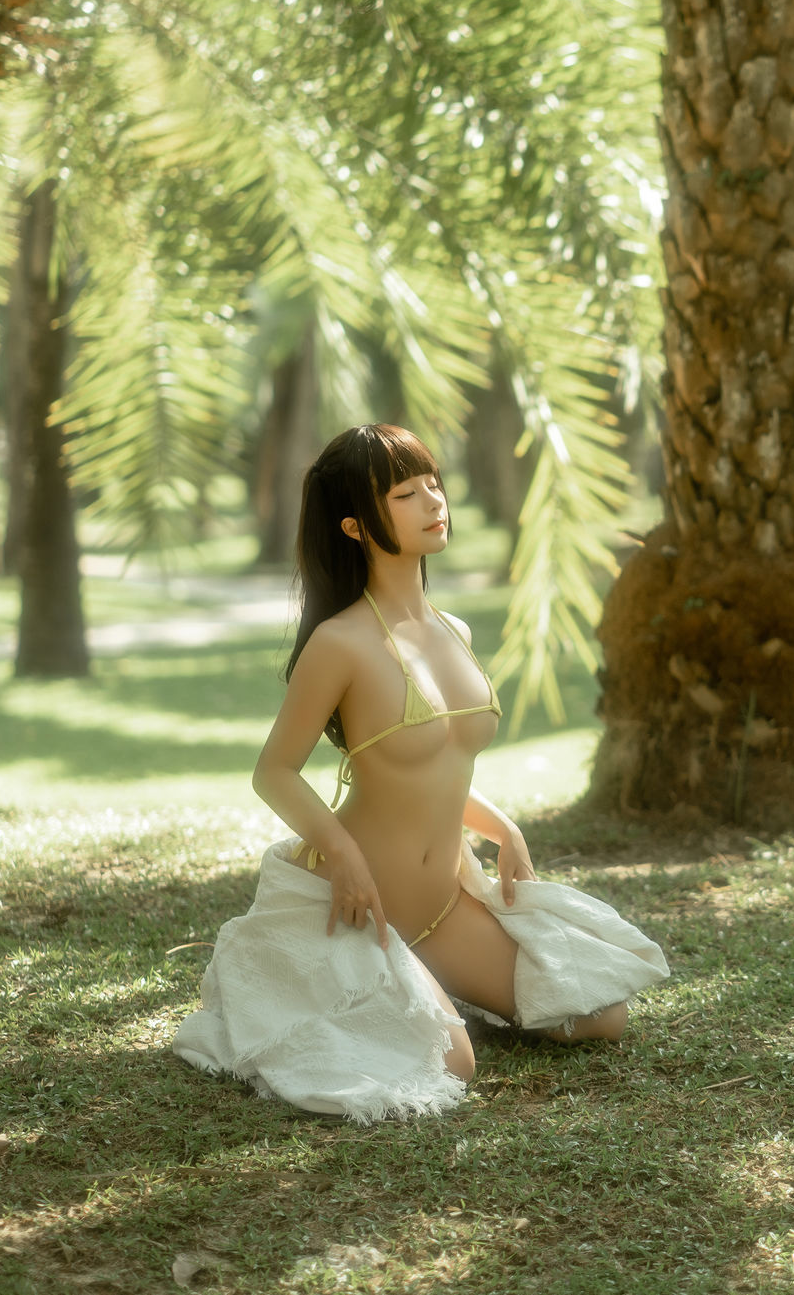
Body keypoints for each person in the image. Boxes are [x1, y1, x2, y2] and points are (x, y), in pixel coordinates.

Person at [173, 424, 667, 1121]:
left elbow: (436, 762)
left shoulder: (453, 629)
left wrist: (501, 824)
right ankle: (348, 988)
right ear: (354, 524)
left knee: (598, 1017)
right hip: (358, 910)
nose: (434, 499)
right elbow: (274, 771)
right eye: (405, 492)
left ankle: (422, 979)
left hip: (439, 907)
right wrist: (340, 853)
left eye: (433, 482)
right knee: (450, 1063)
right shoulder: (339, 642)